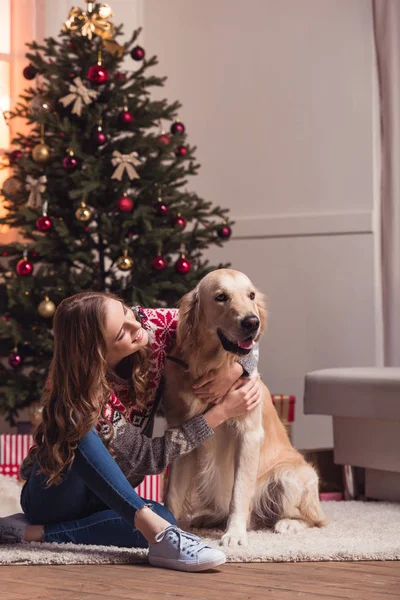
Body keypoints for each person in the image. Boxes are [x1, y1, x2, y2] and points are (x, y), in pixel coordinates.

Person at [0, 291, 261, 572]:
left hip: (110, 495)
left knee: (165, 517)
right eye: (121, 333)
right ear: (97, 353)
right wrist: (220, 414)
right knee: (80, 423)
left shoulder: (154, 325)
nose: (136, 326)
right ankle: (155, 531)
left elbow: (239, 330)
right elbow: (148, 458)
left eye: (126, 312)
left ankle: (31, 533)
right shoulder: (84, 393)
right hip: (55, 496)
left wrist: (235, 371)